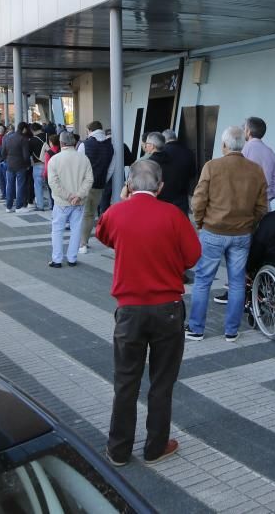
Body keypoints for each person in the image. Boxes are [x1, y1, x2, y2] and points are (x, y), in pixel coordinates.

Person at [95, 160, 201, 467]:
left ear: (129, 185)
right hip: (168, 309)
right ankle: (155, 447)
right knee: (162, 381)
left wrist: (123, 202)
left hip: (129, 311)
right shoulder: (174, 215)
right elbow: (193, 256)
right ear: (161, 186)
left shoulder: (116, 213)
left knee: (125, 382)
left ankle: (118, 450)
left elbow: (104, 235)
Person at [186, 126, 268, 342]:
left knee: (203, 280)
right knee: (237, 281)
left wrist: (200, 222)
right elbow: (262, 206)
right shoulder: (255, 170)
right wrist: (251, 225)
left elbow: (198, 200)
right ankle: (231, 331)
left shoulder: (212, 167)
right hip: (242, 233)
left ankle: (196, 329)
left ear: (224, 145)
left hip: (213, 231)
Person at [46, 131, 93, 268]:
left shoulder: (55, 159)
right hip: (79, 202)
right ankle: (72, 258)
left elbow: (53, 183)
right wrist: (78, 195)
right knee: (76, 229)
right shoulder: (84, 158)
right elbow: (89, 179)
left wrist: (68, 196)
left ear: (61, 143)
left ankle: (57, 259)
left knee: (57, 230)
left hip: (61, 202)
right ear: (73, 143)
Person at [77, 120, 114, 253]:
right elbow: (111, 169)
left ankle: (83, 243)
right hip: (99, 184)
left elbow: (78, 166)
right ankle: (84, 241)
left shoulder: (84, 145)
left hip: (84, 185)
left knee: (84, 214)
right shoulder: (111, 146)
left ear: (90, 131)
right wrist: (103, 181)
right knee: (91, 213)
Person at [242, 116, 275, 207]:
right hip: (265, 203)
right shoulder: (270, 152)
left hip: (247, 202)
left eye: (244, 129)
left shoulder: (244, 150)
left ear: (248, 131)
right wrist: (270, 196)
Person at [143, 132, 188, 211]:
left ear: (152, 146)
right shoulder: (174, 160)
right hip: (175, 203)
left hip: (156, 205)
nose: (145, 145)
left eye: (147, 143)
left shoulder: (148, 164)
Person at [162, 128, 196, 212]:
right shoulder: (188, 152)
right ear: (175, 138)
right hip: (182, 195)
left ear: (164, 139)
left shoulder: (162, 152)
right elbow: (193, 173)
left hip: (164, 195)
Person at [3, 122, 32, 213]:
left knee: (9, 186)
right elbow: (26, 156)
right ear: (24, 129)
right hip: (21, 166)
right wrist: (27, 165)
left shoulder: (7, 138)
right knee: (20, 186)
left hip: (9, 165)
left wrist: (6, 160)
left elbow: (3, 152)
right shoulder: (23, 139)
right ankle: (19, 207)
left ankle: (8, 206)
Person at [29, 122, 49, 211]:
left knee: (38, 186)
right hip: (51, 164)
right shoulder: (49, 136)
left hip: (38, 165)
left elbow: (29, 154)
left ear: (33, 130)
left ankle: (40, 206)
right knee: (50, 186)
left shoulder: (32, 140)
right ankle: (52, 204)